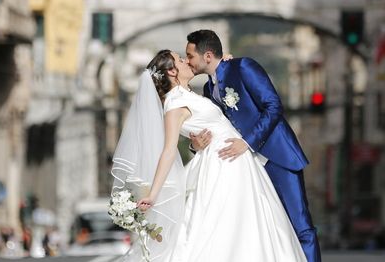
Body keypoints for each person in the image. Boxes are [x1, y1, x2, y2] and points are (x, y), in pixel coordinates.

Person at [113, 50, 305, 261]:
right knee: (230, 226)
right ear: (171, 71)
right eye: (180, 59)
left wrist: (226, 68)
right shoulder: (175, 104)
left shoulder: (188, 94)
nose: (186, 61)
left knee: (250, 222)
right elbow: (168, 150)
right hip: (223, 163)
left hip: (235, 159)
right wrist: (153, 194)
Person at [186, 30, 321, 262]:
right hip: (245, 168)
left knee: (301, 226)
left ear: (207, 56)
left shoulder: (243, 67)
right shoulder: (209, 90)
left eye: (190, 56)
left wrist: (247, 142)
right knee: (266, 229)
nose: (188, 61)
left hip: (277, 156)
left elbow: (273, 106)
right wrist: (194, 145)